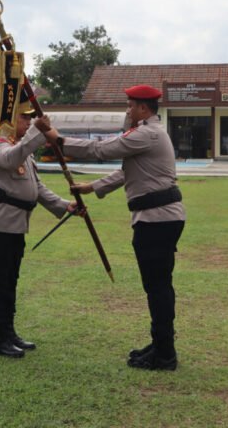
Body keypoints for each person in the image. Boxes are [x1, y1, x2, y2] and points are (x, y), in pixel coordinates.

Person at [41, 84, 185, 371]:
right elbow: (126, 172)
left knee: (157, 287)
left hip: (157, 219)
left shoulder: (146, 133)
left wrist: (58, 139)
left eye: (130, 106)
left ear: (143, 108)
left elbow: (101, 149)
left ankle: (165, 353)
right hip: (157, 217)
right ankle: (160, 344)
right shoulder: (149, 132)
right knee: (156, 285)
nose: (127, 111)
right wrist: (93, 187)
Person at [0, 103, 79, 358]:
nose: (29, 123)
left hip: (14, 226)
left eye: (31, 119)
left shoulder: (23, 149)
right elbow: (10, 160)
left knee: (10, 281)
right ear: (9, 120)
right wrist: (37, 132)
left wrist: (64, 205)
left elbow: (36, 188)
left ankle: (8, 332)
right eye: (24, 118)